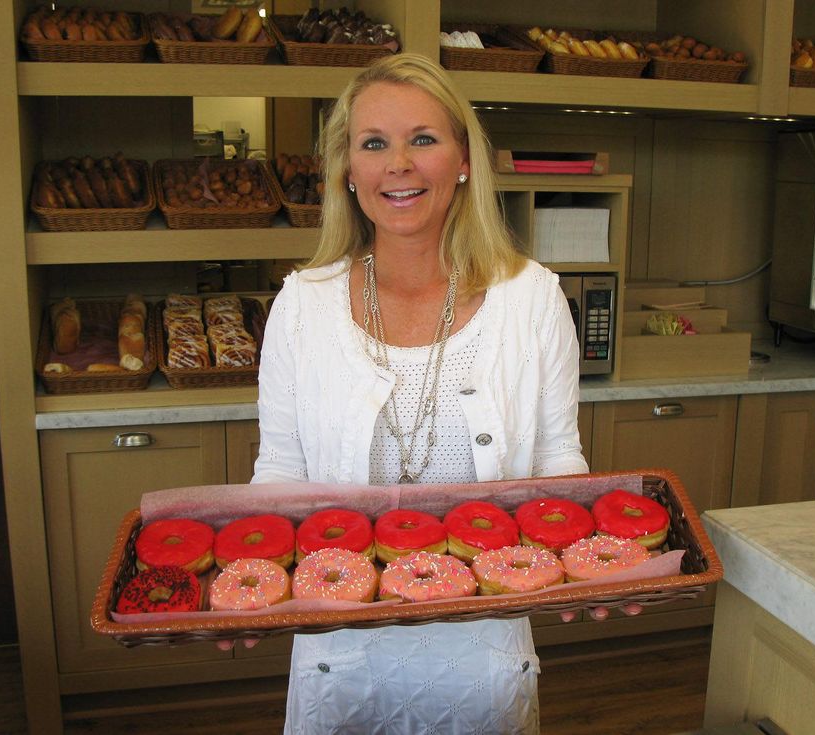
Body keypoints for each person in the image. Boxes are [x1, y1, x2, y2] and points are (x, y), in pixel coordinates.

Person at [251, 52, 596, 734]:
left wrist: (598, 570)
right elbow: (280, 474)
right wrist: (253, 580)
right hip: (339, 657)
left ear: (464, 160)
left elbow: (561, 459)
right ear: (347, 170)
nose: (397, 164)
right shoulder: (301, 304)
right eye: (373, 143)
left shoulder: (533, 298)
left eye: (423, 139)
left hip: (483, 651)